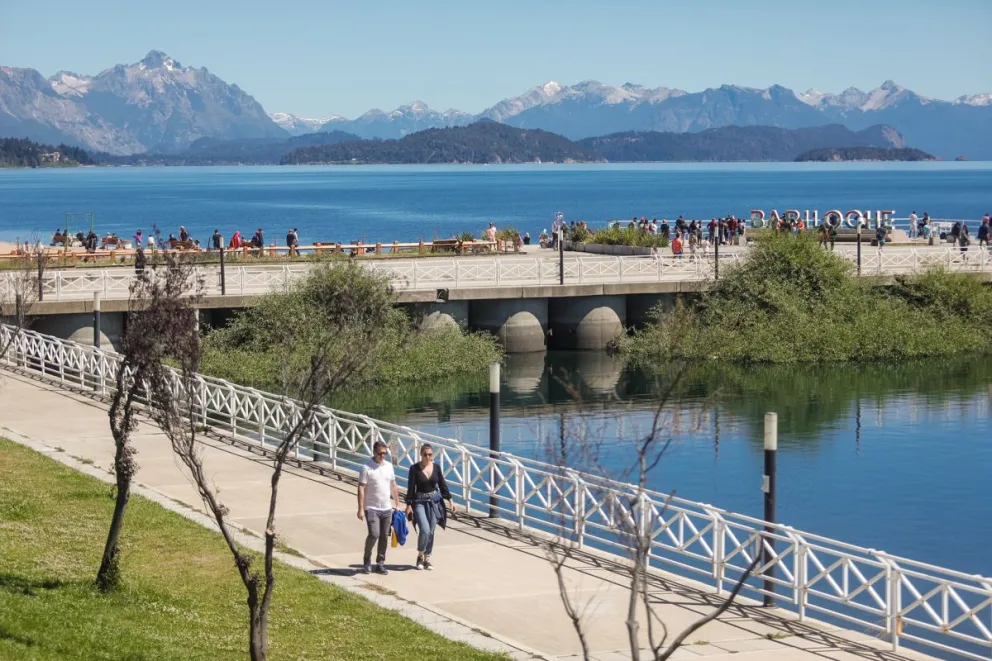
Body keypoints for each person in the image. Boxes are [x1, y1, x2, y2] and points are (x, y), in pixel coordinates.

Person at [404, 444, 456, 570]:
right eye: (425, 454)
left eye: (430, 455)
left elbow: (442, 484)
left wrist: (450, 500)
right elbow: (411, 487)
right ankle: (420, 555)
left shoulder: (436, 467)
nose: (428, 457)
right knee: (425, 530)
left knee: (431, 531)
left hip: (434, 501)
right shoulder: (414, 469)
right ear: (421, 455)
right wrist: (409, 504)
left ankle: (427, 558)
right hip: (420, 501)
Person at [357, 440, 399, 575]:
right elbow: (361, 488)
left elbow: (393, 485)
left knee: (384, 537)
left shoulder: (388, 466)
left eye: (385, 453)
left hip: (387, 508)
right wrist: (360, 508)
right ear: (374, 452)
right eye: (380, 453)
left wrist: (397, 504)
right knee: (374, 534)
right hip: (371, 507)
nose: (382, 456)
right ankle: (366, 560)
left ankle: (380, 563)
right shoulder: (366, 468)